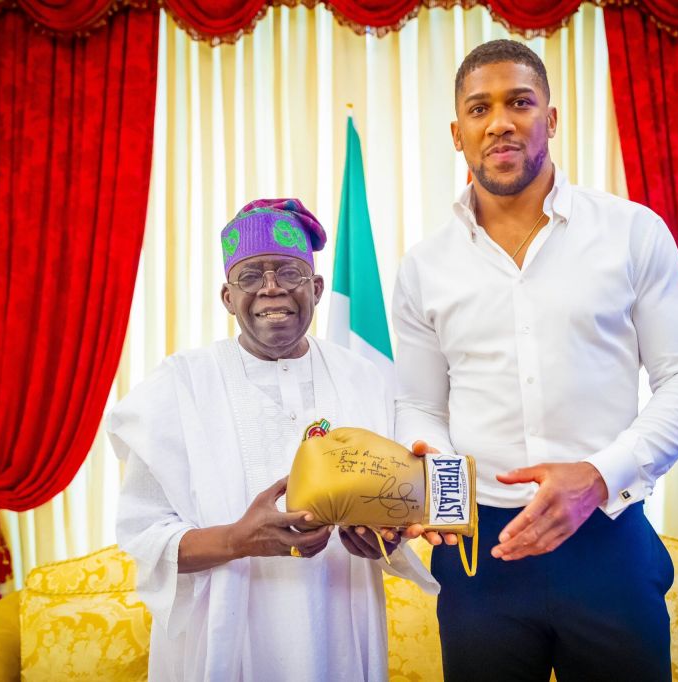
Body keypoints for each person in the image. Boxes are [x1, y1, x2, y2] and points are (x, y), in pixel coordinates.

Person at [393, 40, 678, 681]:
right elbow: (421, 404)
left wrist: (600, 475)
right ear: (457, 133)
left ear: (551, 117)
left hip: (608, 539)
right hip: (479, 557)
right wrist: (440, 481)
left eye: (520, 102)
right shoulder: (423, 266)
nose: (500, 122)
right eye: (479, 108)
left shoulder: (633, 232)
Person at [109, 198, 436, 682]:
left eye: (288, 272)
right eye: (250, 276)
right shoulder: (178, 385)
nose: (271, 288)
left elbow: (393, 502)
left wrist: (379, 539)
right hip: (221, 634)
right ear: (226, 296)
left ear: (317, 288)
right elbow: (145, 538)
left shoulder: (365, 378)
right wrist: (236, 540)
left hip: (340, 625)